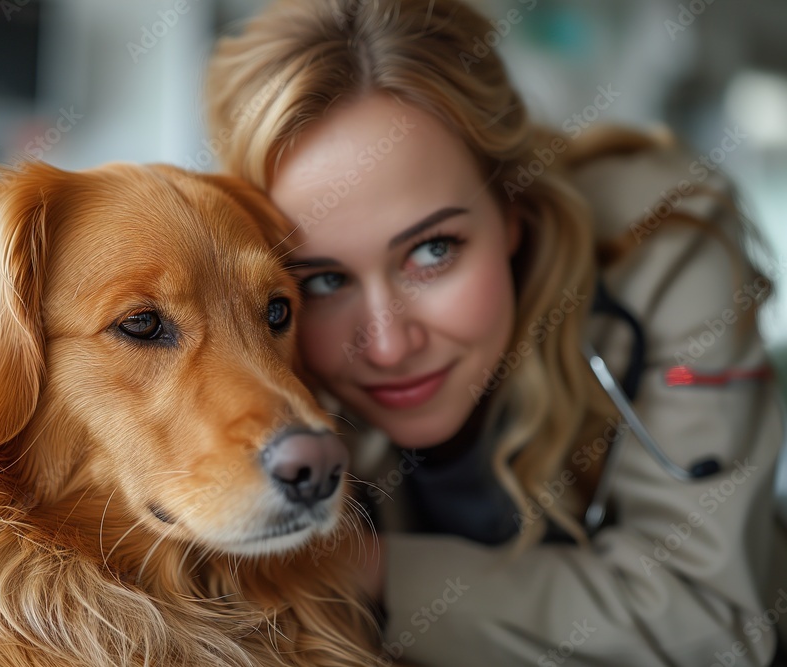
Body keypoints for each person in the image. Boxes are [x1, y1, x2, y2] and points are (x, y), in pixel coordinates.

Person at [204, 0, 787, 665]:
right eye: (321, 282)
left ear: (514, 206)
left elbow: (716, 621)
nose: (389, 346)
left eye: (432, 251)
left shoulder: (665, 243)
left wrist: (371, 571)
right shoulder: (254, 359)